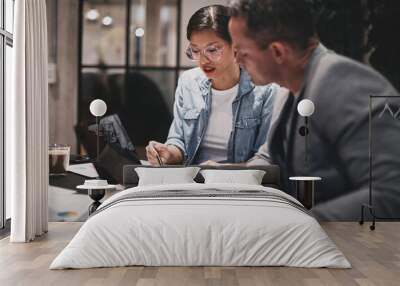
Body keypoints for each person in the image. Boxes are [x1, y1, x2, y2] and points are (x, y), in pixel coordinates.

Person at [228, 0, 400, 219]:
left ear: (278, 52)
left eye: (241, 53)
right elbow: (272, 157)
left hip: (354, 248)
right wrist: (218, 178)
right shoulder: (288, 88)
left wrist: (299, 225)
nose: (237, 62)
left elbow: (392, 192)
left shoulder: (341, 82)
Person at [146, 5, 277, 166]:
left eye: (212, 50)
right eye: (195, 50)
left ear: (235, 46)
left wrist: (224, 171)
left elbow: (267, 158)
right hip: (192, 182)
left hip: (243, 186)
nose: (203, 60)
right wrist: (169, 153)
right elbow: (178, 139)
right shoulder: (188, 82)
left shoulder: (266, 89)